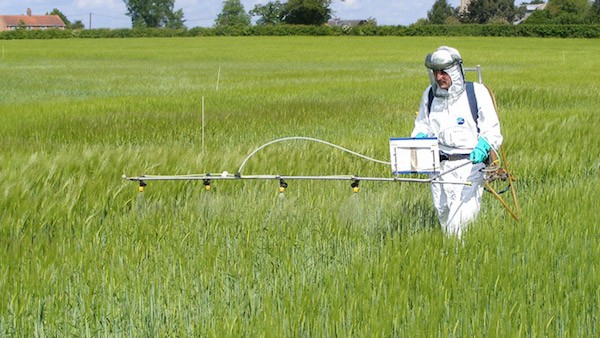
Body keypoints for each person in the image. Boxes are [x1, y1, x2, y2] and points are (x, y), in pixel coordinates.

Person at [411, 46, 503, 237]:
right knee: (444, 215)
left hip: (468, 165)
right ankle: (450, 260)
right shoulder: (430, 95)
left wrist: (483, 146)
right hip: (438, 167)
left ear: (455, 70)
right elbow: (423, 124)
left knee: (459, 224)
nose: (438, 77)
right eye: (435, 72)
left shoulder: (476, 93)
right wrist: (419, 137)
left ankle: (460, 259)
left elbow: (492, 129)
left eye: (443, 72)